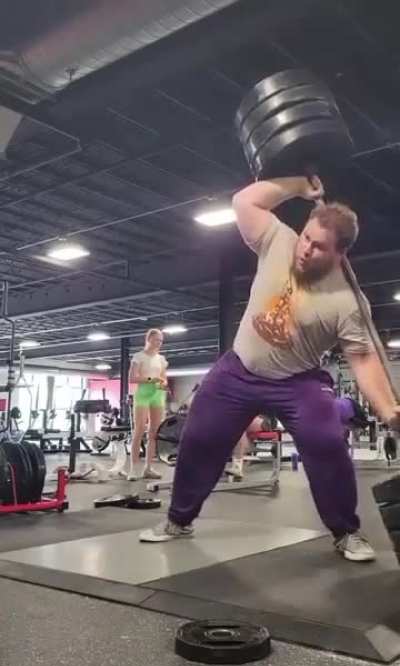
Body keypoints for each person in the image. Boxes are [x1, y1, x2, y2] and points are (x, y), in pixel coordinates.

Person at [140, 175, 400, 562]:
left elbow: (363, 359)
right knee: (200, 437)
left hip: (298, 381)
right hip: (238, 369)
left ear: (340, 254)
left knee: (327, 442)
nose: (306, 249)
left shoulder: (348, 302)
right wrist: (298, 186)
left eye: (319, 247)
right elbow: (245, 201)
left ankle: (346, 532)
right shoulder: (280, 241)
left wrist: (388, 410)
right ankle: (179, 520)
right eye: (307, 238)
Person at [127, 328, 168, 480]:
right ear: (149, 339)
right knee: (139, 430)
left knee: (154, 433)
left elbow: (164, 378)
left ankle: (148, 468)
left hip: (157, 394)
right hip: (143, 393)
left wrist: (163, 384)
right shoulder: (139, 357)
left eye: (161, 341)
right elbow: (132, 378)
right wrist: (151, 380)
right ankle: (133, 469)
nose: (159, 343)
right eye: (157, 340)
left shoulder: (161, 359)